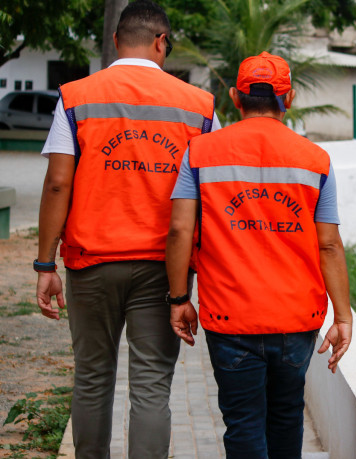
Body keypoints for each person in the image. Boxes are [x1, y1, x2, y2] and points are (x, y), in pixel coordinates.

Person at [34, 1, 220, 457]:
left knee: (93, 377)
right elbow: (212, 193)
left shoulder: (75, 96)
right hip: (164, 271)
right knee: (152, 385)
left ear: (116, 41)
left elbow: (58, 182)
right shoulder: (199, 106)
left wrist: (45, 263)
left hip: (90, 262)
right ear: (162, 42)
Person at [165, 52, 353, 458]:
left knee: (243, 422)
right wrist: (342, 316)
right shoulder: (316, 160)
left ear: (235, 96)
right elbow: (329, 244)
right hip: (295, 320)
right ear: (292, 97)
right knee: (286, 417)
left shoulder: (200, 153)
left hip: (229, 317)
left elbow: (180, 228)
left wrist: (179, 299)